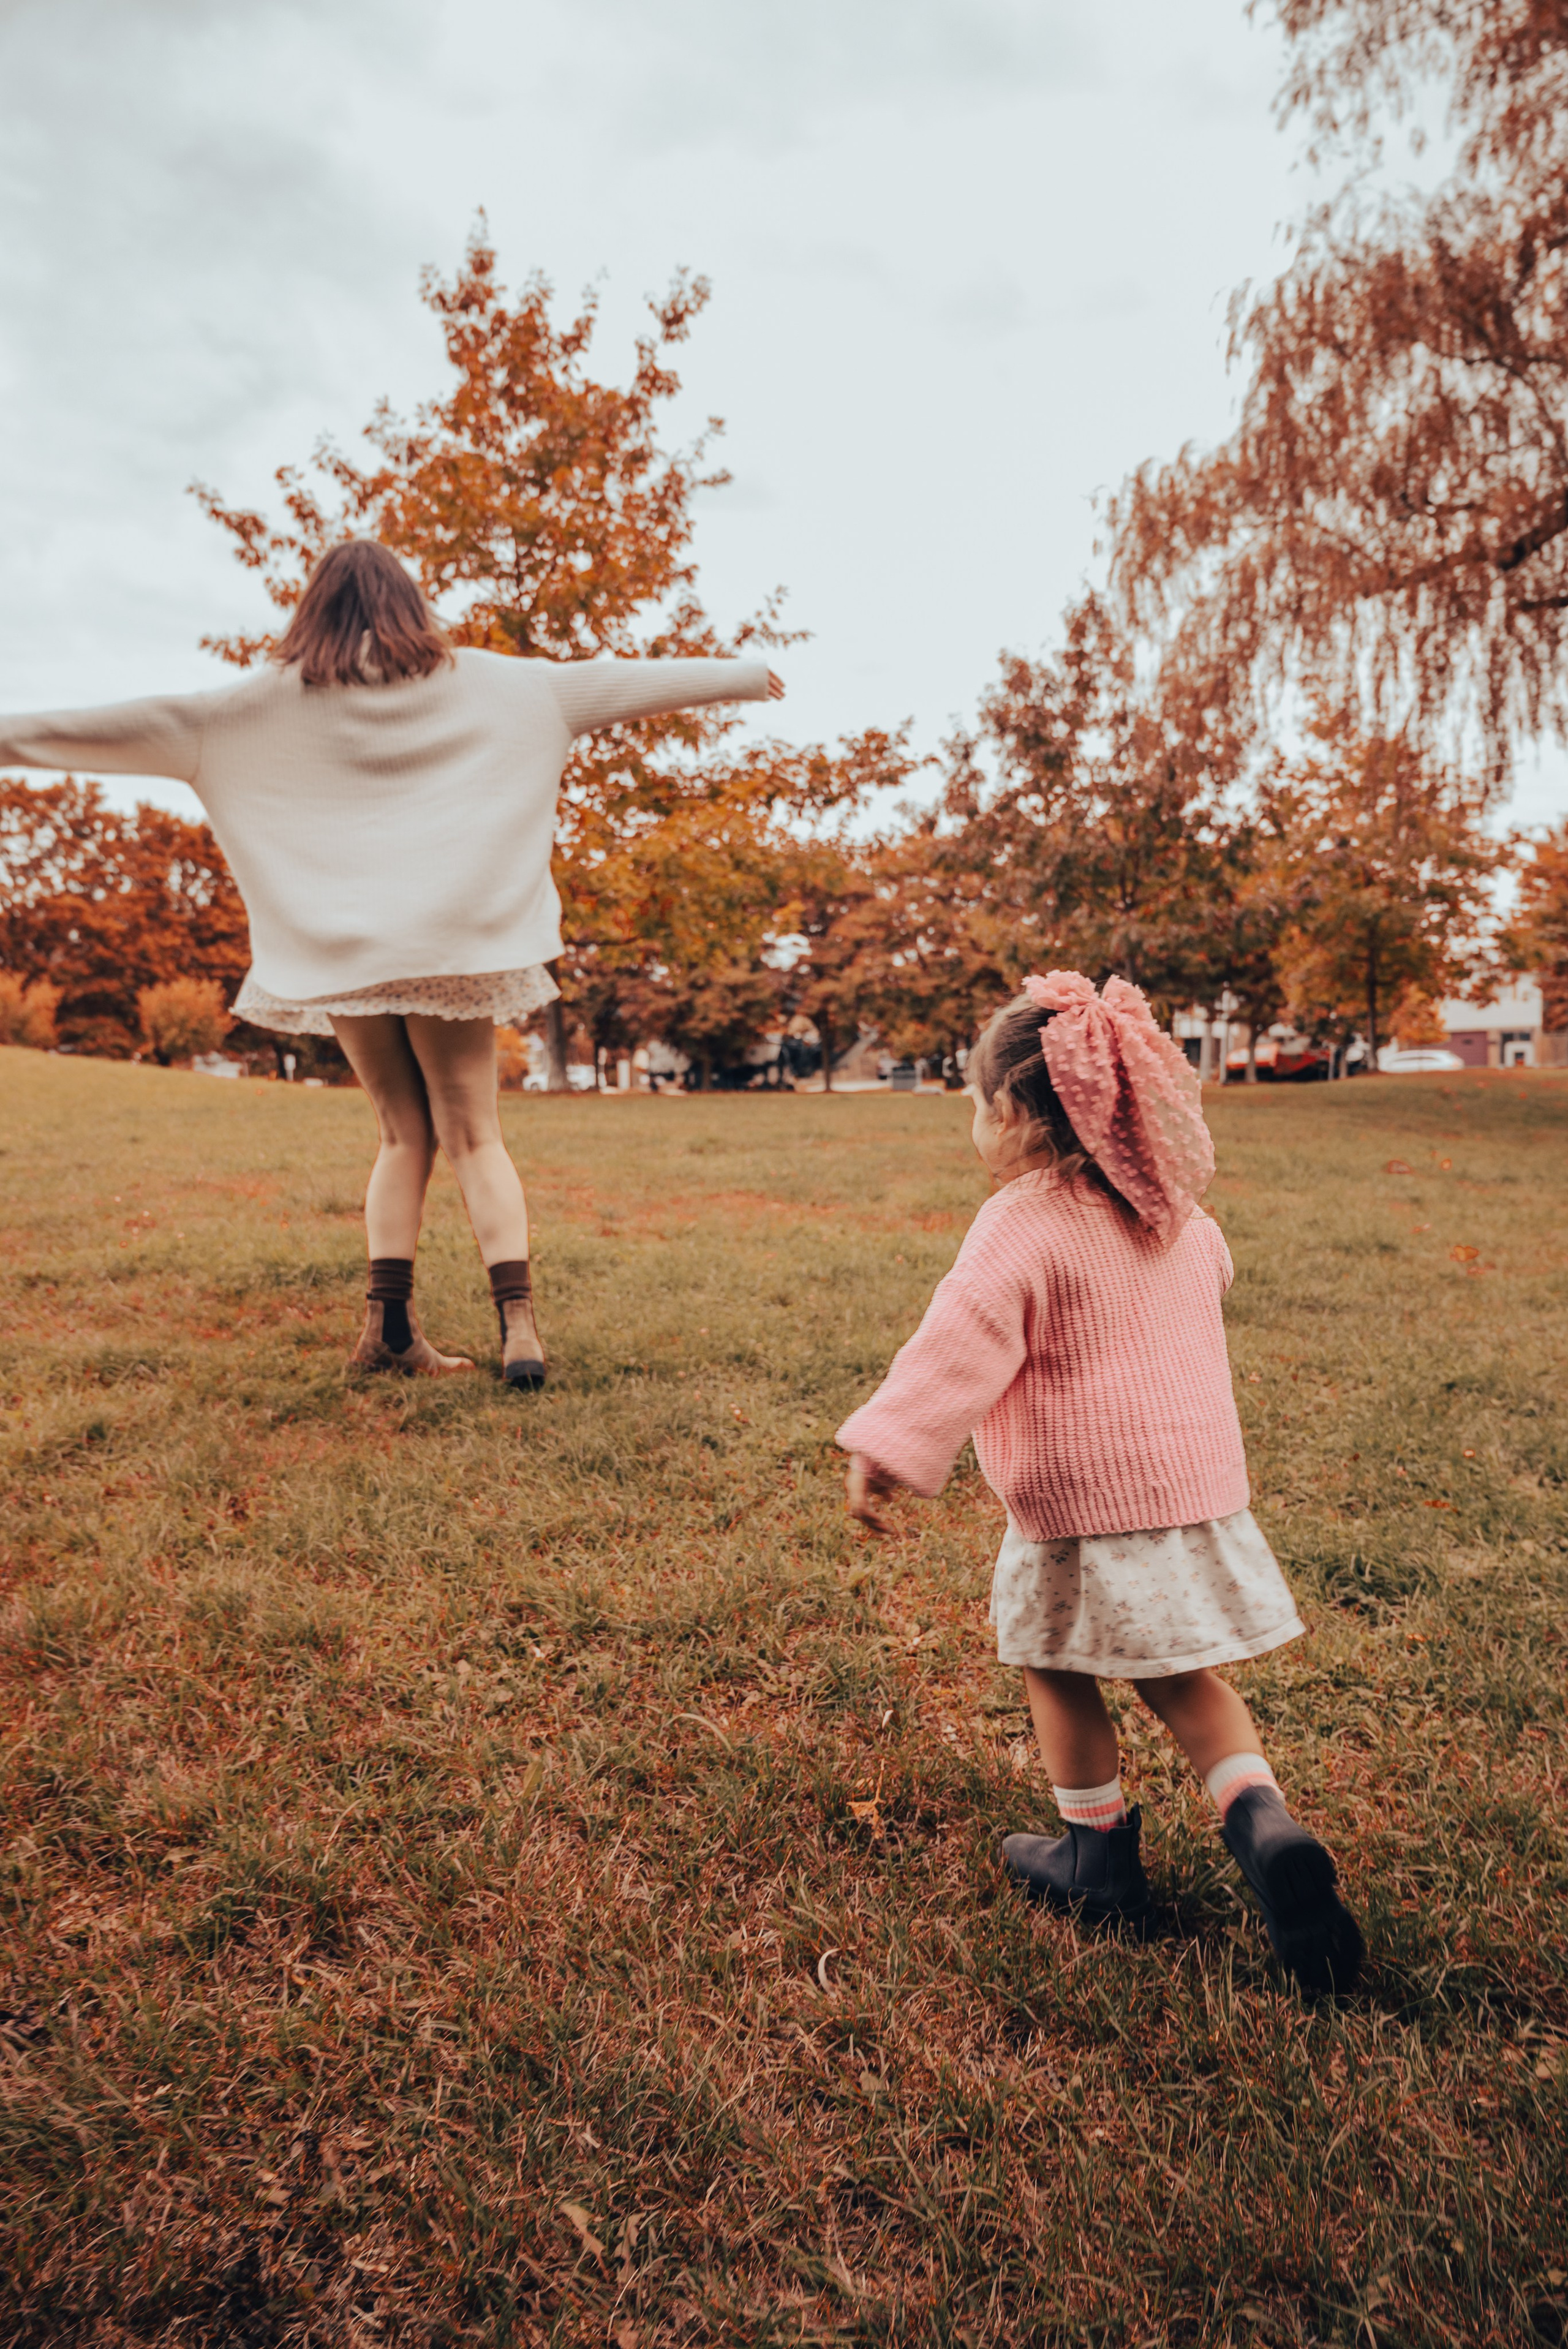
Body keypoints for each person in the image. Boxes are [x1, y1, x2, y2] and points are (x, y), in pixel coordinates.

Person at [0, 540, 784, 1387]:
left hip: (343, 951)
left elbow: (104, 726)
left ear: (314, 610)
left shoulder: (251, 706)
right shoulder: (500, 683)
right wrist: (745, 673)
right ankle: (519, 1329)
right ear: (410, 606)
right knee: (475, 1133)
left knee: (400, 1133)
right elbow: (618, 679)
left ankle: (391, 1334)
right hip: (453, 946)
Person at [838, 971, 1363, 1996]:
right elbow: (1209, 1286)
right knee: (1184, 1681)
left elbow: (961, 1343)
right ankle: (1262, 1818)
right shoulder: (1179, 1216)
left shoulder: (1021, 1222)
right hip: (1190, 1494)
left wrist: (892, 1445)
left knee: (1056, 1665)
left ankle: (1099, 1856)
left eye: (975, 1102)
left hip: (1078, 1509)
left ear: (1018, 1115)